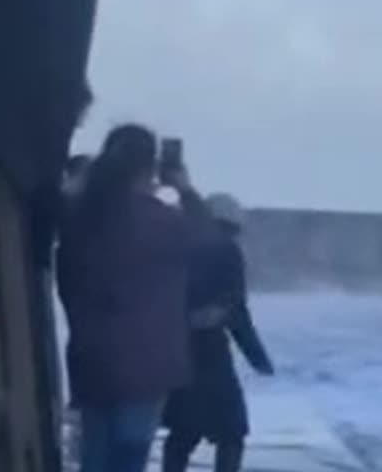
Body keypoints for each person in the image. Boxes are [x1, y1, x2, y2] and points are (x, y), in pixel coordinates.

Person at [57, 123, 208, 472]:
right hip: (148, 363)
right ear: (151, 166)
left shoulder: (80, 216)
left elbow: (65, 279)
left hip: (91, 358)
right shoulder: (161, 221)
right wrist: (184, 189)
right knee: (128, 457)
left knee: (95, 455)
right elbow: (209, 241)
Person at [162, 193, 275, 472]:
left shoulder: (178, 244)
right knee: (232, 431)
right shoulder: (226, 251)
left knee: (183, 431)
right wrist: (257, 357)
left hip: (175, 349)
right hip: (210, 353)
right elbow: (235, 310)